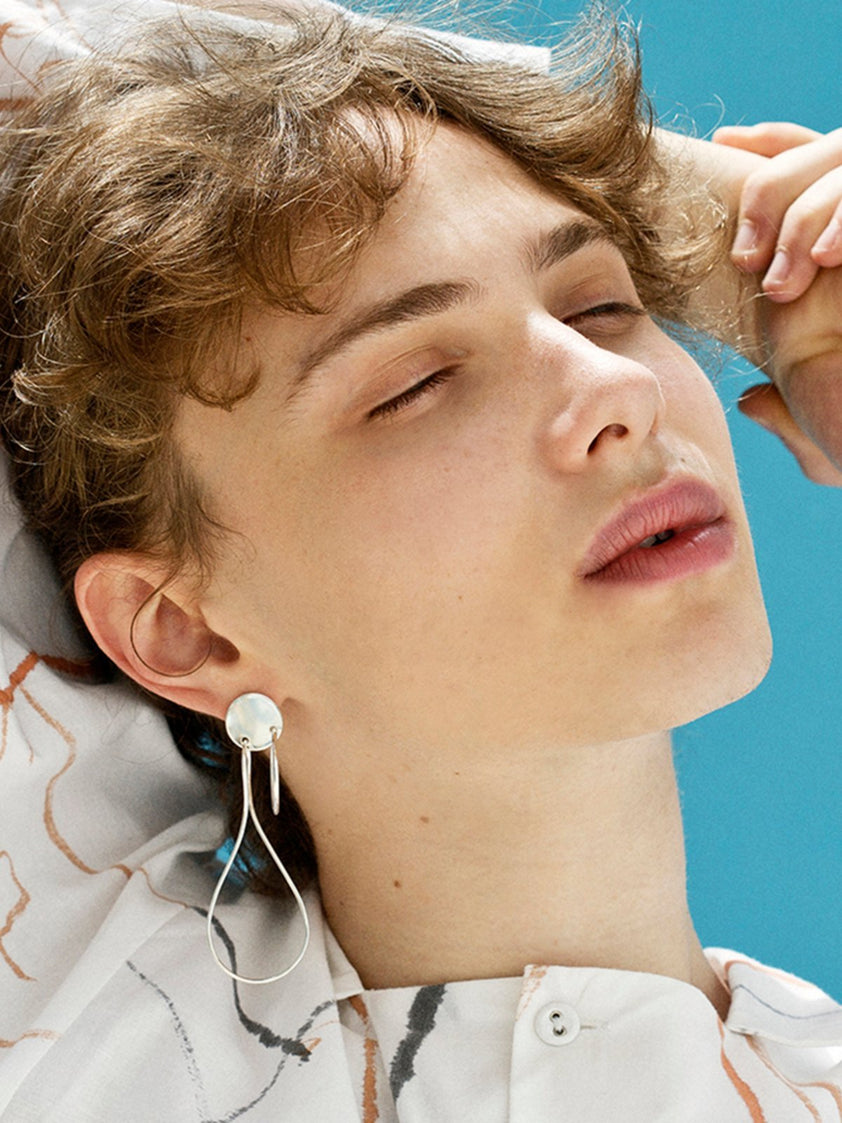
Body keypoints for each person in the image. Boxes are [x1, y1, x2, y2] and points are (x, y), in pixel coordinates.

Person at [0, 2, 841, 1120]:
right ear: (184, 628)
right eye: (417, 384)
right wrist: (735, 221)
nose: (620, 385)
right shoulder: (72, 1027)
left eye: (605, 304)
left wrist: (782, 260)